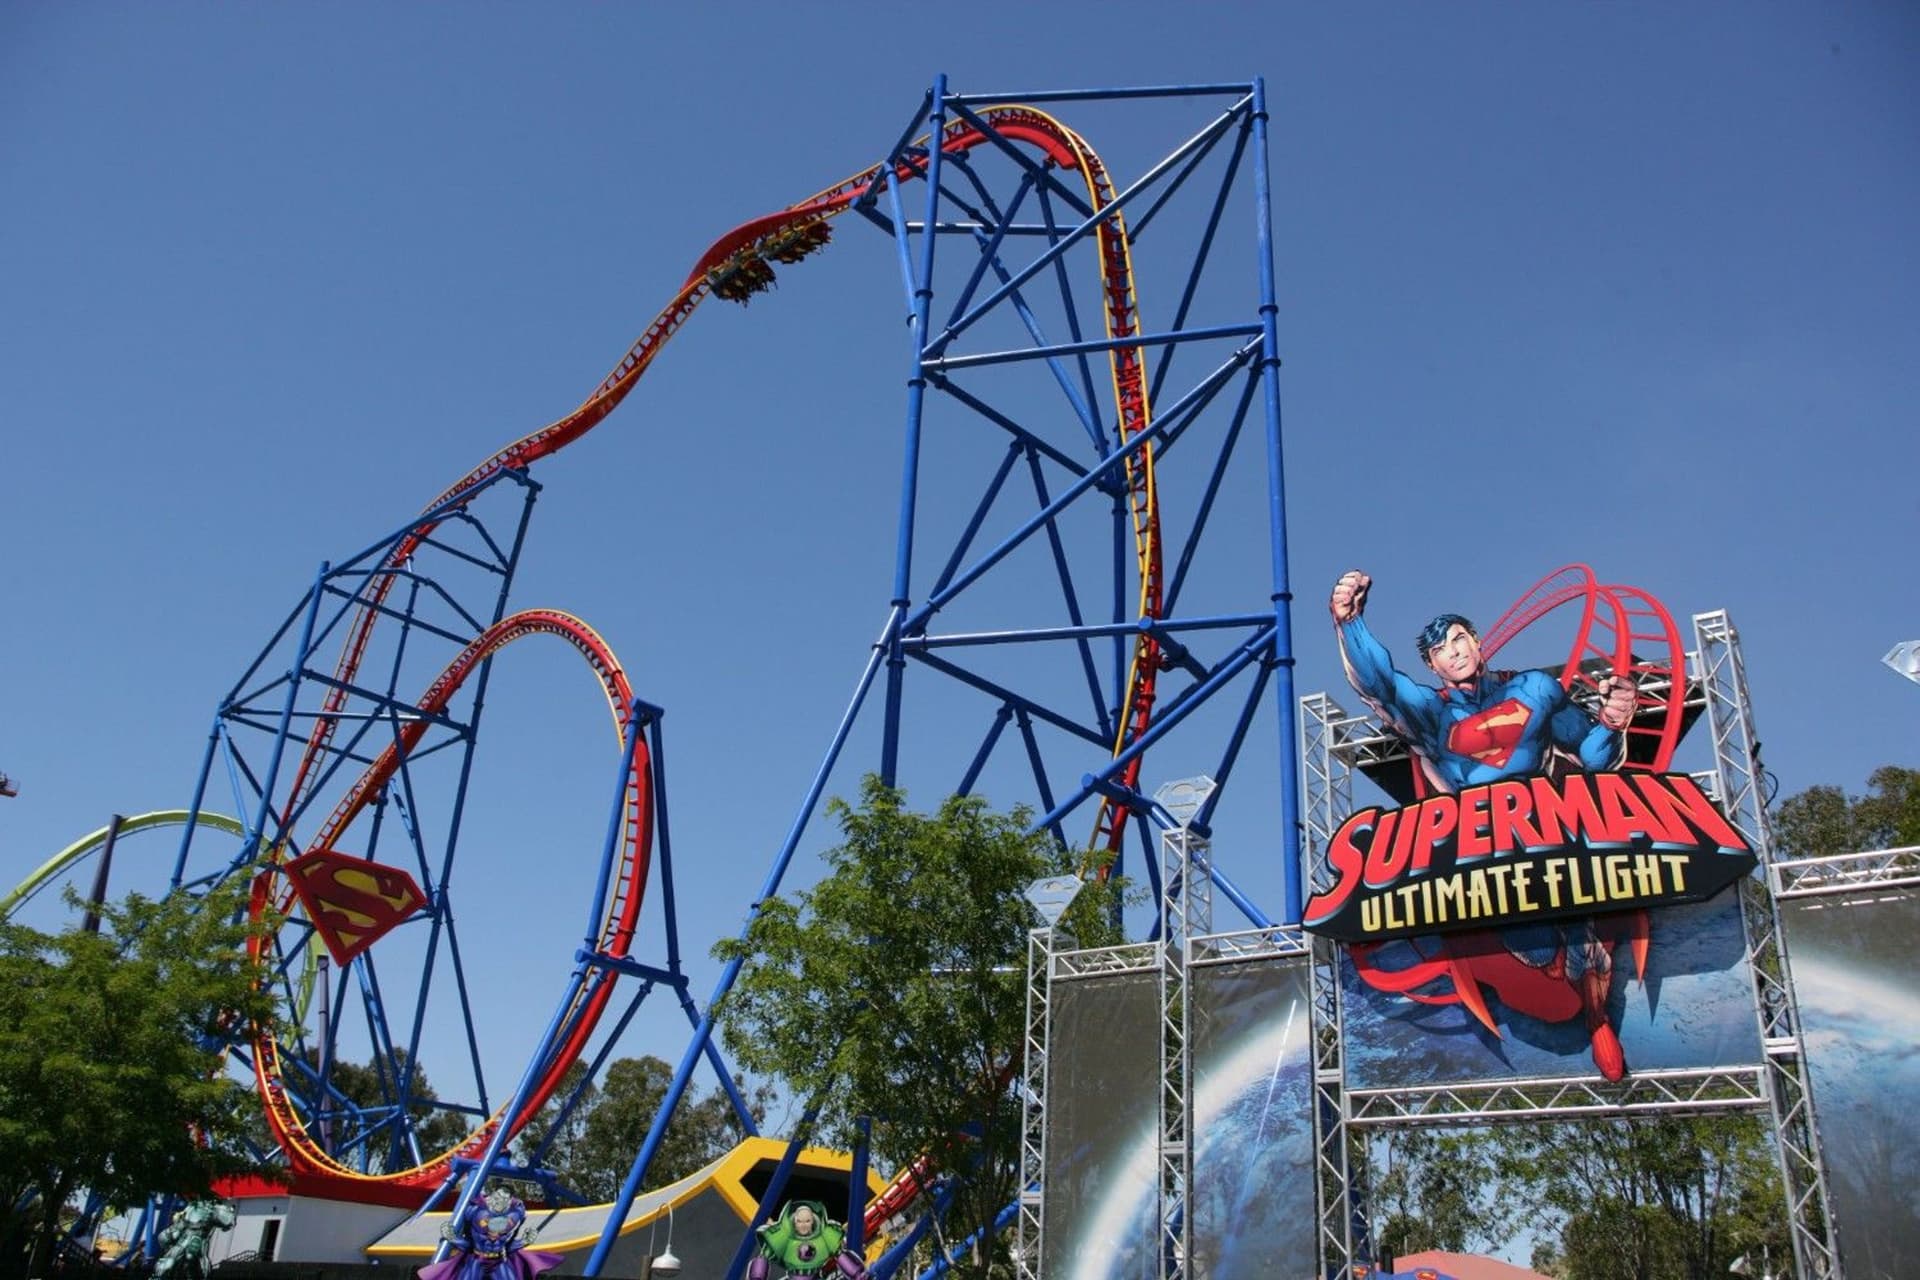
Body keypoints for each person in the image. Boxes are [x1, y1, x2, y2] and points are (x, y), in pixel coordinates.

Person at [1329, 569, 1644, 1080]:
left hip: (1545, 829)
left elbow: (1591, 755)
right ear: (1432, 665)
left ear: (1475, 641)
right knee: (1537, 951)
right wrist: (1350, 624)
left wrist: (1611, 721)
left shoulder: (1535, 689)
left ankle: (1596, 1016)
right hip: (1482, 844)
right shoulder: (1432, 712)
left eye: (1458, 640)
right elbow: (1380, 684)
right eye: (1440, 651)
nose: (1454, 653)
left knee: (1582, 941)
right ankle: (1556, 996)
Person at [417, 1185, 563, 1280]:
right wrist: (453, 1238)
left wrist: (524, 1242)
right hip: (477, 1260)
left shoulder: (514, 1215)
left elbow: (506, 1244)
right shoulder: (476, 1212)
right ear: (493, 1197)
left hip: (499, 1260)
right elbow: (469, 1241)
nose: (501, 1201)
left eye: (505, 1199)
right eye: (498, 1197)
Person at [747, 1201, 868, 1279]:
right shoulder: (782, 1238)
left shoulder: (824, 1236)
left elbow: (840, 1255)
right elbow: (762, 1259)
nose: (803, 1225)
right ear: (794, 1222)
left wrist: (857, 1274)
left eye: (807, 1221)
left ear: (813, 1221)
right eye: (799, 1222)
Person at [152, 1198, 236, 1280]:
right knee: (169, 1261)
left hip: (198, 1240)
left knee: (198, 1263)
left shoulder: (212, 1209)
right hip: (185, 1239)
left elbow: (229, 1222)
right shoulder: (192, 1207)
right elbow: (178, 1226)